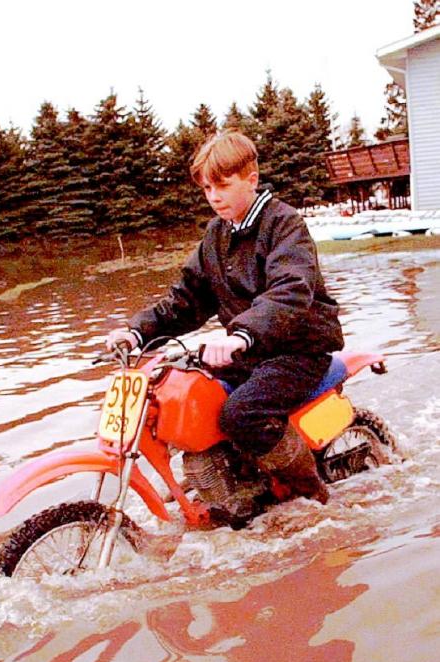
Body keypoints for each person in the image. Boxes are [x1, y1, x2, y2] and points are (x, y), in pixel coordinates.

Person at [105, 130, 344, 516]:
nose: (213, 196)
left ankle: (313, 496)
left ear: (251, 179)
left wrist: (241, 334)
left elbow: (290, 290)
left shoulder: (284, 224)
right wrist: (136, 331)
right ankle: (227, 482)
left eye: (222, 185)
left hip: (299, 348)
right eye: (206, 188)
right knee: (180, 396)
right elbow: (185, 300)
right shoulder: (216, 235)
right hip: (248, 350)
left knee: (241, 413)